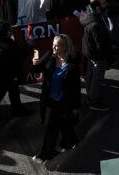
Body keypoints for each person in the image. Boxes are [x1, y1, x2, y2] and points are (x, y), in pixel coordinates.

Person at [31, 33, 82, 165]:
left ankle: (44, 155)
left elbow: (76, 88)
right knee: (62, 124)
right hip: (50, 99)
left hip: (63, 102)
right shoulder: (49, 56)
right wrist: (35, 60)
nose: (53, 47)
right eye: (53, 44)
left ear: (65, 48)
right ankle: (71, 141)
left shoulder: (72, 66)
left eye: (57, 45)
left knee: (51, 127)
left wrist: (76, 106)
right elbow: (37, 68)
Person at [78, 0, 113, 111]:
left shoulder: (87, 16)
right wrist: (107, 56)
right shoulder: (96, 24)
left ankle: (91, 96)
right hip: (97, 55)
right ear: (97, 8)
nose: (106, 5)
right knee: (96, 78)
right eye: (103, 3)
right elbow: (101, 45)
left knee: (90, 75)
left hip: (89, 52)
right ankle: (93, 101)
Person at [0, 22, 27, 118]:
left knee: (1, 93)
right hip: (6, 75)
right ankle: (16, 110)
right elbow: (19, 56)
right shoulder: (7, 44)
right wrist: (29, 45)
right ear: (5, 32)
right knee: (7, 93)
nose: (11, 32)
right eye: (9, 30)